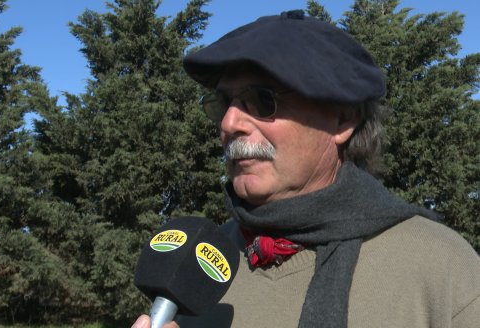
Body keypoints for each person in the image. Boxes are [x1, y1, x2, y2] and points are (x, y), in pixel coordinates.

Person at [132, 10, 480, 328]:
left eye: (262, 100)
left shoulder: (442, 269)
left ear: (343, 118)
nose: (229, 122)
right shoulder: (202, 265)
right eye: (223, 102)